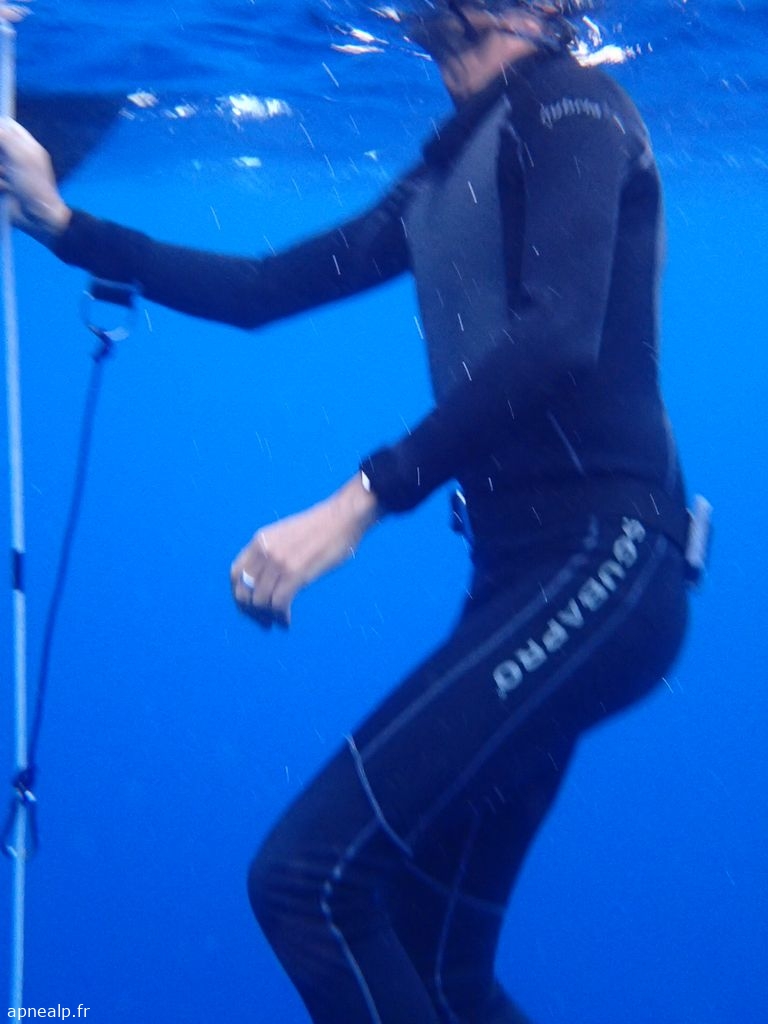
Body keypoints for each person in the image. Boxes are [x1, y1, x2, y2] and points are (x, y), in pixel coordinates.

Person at [0, 1, 694, 1021]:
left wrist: (359, 502)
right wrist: (62, 226)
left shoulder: (575, 108)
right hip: (535, 574)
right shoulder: (452, 161)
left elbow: (559, 340)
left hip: (605, 561)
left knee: (307, 883)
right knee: (438, 963)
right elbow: (265, 287)